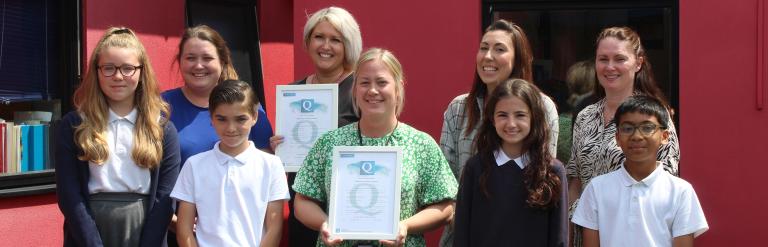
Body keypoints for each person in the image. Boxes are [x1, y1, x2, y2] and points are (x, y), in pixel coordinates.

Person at [292, 48, 458, 247]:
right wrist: (326, 223)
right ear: (354, 90)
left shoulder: (421, 144)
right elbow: (302, 202)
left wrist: (405, 226)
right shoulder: (330, 143)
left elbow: (446, 206)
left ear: (398, 88)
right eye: (364, 83)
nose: (372, 90)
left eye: (382, 82)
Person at [55, 27, 180, 247]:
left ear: (142, 72)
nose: (118, 76)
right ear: (97, 71)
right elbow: (69, 196)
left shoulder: (162, 129)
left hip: (144, 230)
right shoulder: (74, 125)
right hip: (89, 230)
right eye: (109, 68)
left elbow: (165, 199)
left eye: (128, 68)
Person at [438, 19, 559, 246]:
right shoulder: (459, 108)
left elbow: (543, 175)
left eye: (499, 49)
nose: (488, 56)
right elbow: (446, 183)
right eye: (484, 48)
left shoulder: (543, 107)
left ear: (518, 59)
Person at [566, 26, 681, 246]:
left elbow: (665, 184)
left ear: (638, 63)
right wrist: (576, 222)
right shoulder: (584, 116)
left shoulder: (654, 115)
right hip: (587, 235)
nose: (610, 67)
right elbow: (575, 180)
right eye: (603, 59)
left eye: (619, 59)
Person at [266, 7, 362, 246]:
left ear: (348, 45)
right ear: (308, 42)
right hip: (303, 204)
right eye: (319, 37)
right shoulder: (293, 92)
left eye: (335, 40)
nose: (325, 46)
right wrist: (277, 149)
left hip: (349, 204)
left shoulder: (360, 89)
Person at [572, 95, 708, 247]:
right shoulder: (596, 189)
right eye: (627, 128)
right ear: (617, 137)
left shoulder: (680, 191)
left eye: (647, 128)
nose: (636, 136)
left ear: (664, 136)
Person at [171, 80, 290, 246]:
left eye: (240, 119)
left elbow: (274, 228)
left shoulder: (271, 165)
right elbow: (184, 230)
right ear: (211, 118)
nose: (231, 128)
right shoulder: (194, 165)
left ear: (254, 117)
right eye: (222, 119)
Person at [454, 79, 567, 247]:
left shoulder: (552, 171)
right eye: (502, 115)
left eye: (520, 115)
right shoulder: (475, 167)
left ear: (534, 117)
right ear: (492, 119)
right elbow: (462, 233)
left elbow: (559, 238)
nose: (511, 124)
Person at [162, 24, 273, 165]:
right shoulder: (162, 106)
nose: (198, 65)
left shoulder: (247, 102)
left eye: (207, 58)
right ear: (180, 61)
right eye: (190, 58)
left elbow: (266, 157)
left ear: (222, 61)